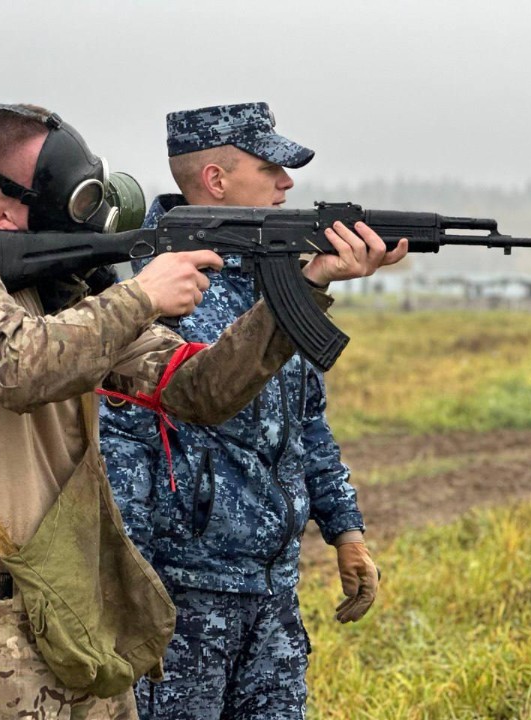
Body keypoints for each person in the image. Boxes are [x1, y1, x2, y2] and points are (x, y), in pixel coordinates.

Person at [0, 102, 404, 720]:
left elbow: (198, 389)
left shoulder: (71, 293)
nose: (85, 212)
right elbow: (11, 368)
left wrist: (310, 285)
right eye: (71, 199)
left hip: (79, 605)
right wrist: (140, 296)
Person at [100, 102, 402, 719]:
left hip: (271, 594)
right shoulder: (146, 289)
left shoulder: (278, 281)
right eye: (271, 169)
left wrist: (344, 531)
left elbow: (307, 422)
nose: (288, 184)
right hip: (183, 600)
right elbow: (119, 449)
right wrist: (132, 601)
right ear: (216, 180)